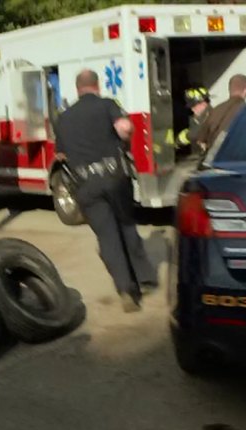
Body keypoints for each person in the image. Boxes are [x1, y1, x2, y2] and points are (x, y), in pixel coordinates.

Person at [55, 69, 158, 313]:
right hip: (114, 178)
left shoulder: (64, 117)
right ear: (96, 86)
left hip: (85, 186)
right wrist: (126, 136)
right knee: (126, 225)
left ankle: (125, 291)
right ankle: (144, 277)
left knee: (107, 237)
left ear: (78, 88)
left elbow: (61, 154)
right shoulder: (107, 105)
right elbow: (124, 128)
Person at [195, 74, 246, 152]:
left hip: (218, 159)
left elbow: (200, 139)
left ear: (229, 90)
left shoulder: (216, 110)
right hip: (240, 158)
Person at [178, 86, 212, 156]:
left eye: (193, 105)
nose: (192, 109)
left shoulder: (210, 116)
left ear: (203, 103)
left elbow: (196, 133)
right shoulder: (196, 118)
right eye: (191, 106)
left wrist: (182, 138)